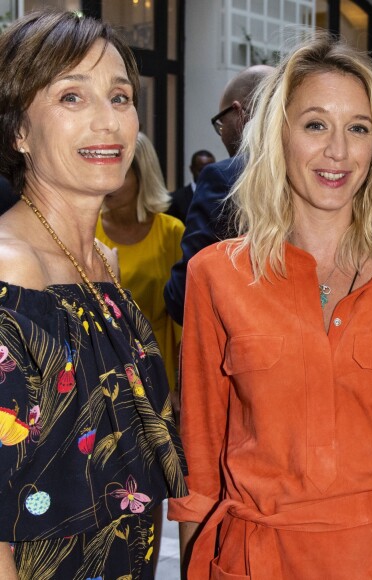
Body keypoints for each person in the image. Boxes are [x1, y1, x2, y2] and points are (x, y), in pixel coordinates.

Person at [168, 36, 372, 579]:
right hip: (253, 563)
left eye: (358, 128)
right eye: (316, 124)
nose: (338, 151)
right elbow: (199, 476)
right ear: (278, 134)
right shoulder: (215, 275)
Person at [0, 10, 187, 580]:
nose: (107, 122)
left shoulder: (101, 264)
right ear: (19, 131)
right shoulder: (13, 266)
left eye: (120, 96)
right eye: (72, 98)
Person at [164, 64, 274, 325]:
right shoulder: (320, 172)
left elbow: (184, 296)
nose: (222, 133)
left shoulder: (225, 177)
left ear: (239, 113)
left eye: (220, 124)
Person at [97, 131, 184, 395]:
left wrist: (183, 377)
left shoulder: (171, 232)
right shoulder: (88, 231)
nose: (109, 182)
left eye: (121, 173)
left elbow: (183, 312)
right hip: (106, 362)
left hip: (161, 361)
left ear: (142, 175)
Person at [166, 149, 216, 223]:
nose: (206, 174)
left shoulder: (223, 196)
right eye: (201, 170)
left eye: (210, 170)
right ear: (192, 169)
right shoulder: (176, 199)